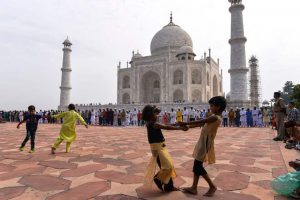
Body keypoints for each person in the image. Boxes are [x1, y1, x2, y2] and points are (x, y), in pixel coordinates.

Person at [179, 96, 226, 197]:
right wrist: (188, 127)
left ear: (218, 107)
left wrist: (185, 122)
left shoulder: (215, 117)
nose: (210, 108)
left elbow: (201, 121)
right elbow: (202, 124)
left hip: (206, 142)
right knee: (197, 165)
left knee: (198, 166)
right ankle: (194, 187)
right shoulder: (213, 116)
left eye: (212, 106)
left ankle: (212, 186)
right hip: (203, 141)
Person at [142, 105, 188, 192]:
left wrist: (154, 110)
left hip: (160, 147)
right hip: (158, 148)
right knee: (168, 166)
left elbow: (162, 120)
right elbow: (167, 127)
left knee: (167, 165)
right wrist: (180, 128)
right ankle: (158, 179)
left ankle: (168, 186)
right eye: (155, 114)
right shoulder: (154, 124)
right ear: (150, 115)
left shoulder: (150, 123)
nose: (157, 116)